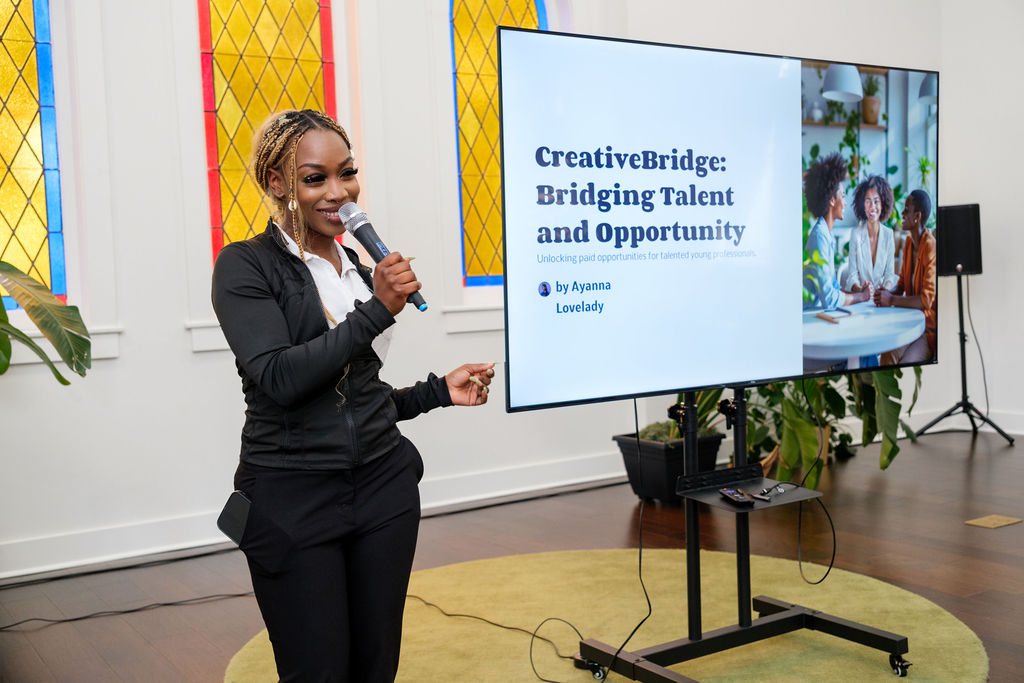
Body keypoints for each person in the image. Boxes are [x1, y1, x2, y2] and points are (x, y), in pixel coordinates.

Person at [211, 108, 494, 682]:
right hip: (293, 499)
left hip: (383, 492)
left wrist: (439, 391)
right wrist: (377, 310)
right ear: (276, 184)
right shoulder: (245, 266)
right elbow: (281, 379)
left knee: (374, 664)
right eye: (316, 178)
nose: (339, 193)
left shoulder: (359, 273)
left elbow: (357, 398)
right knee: (317, 670)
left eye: (348, 173)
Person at [874, 189, 936, 364]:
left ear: (917, 216)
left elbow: (926, 301)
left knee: (905, 364)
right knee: (887, 357)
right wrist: (886, 292)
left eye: (906, 209)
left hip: (926, 329)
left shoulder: (931, 247)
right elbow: (901, 284)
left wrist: (891, 299)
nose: (902, 212)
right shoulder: (908, 243)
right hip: (908, 322)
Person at [803, 152, 871, 309]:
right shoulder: (819, 236)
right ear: (832, 200)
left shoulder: (826, 233)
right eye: (843, 195)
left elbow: (833, 287)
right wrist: (861, 297)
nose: (846, 203)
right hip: (811, 317)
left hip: (819, 313)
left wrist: (858, 293)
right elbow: (829, 298)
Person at [845, 175, 898, 295]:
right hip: (860, 299)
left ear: (883, 204)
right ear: (862, 205)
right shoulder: (856, 234)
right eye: (868, 201)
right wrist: (861, 291)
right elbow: (852, 275)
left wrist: (885, 289)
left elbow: (890, 274)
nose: (872, 207)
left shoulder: (888, 235)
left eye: (876, 201)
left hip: (882, 299)